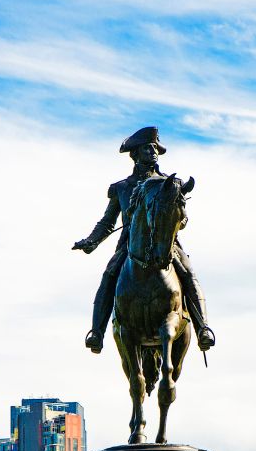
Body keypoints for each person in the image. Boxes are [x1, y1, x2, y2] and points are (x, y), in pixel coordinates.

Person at [73, 126, 216, 354]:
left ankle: (203, 329)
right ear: (136, 154)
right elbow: (108, 222)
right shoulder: (122, 187)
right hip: (130, 245)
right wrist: (91, 241)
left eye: (155, 148)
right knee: (109, 276)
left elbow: (183, 217)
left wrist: (176, 222)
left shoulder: (169, 184)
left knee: (188, 273)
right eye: (148, 148)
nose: (153, 152)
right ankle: (96, 332)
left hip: (165, 243)